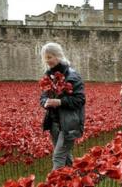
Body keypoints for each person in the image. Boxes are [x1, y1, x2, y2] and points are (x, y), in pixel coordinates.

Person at [39, 42, 85, 170]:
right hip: (54, 122)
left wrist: (59, 102)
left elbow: (80, 99)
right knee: (66, 157)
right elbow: (43, 97)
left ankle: (55, 182)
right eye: (45, 58)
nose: (47, 61)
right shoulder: (48, 76)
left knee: (58, 157)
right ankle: (75, 180)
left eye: (50, 57)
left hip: (69, 123)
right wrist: (46, 102)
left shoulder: (72, 76)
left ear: (58, 56)